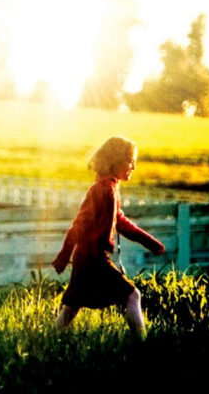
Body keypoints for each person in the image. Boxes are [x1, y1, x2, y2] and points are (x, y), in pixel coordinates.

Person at [52, 136, 166, 338]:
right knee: (132, 295)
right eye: (130, 161)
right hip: (93, 259)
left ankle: (51, 338)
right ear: (116, 161)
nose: (133, 166)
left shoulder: (110, 189)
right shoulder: (101, 191)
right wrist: (63, 256)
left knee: (73, 306)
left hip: (87, 257)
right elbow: (79, 225)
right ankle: (142, 342)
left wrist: (149, 242)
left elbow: (120, 221)